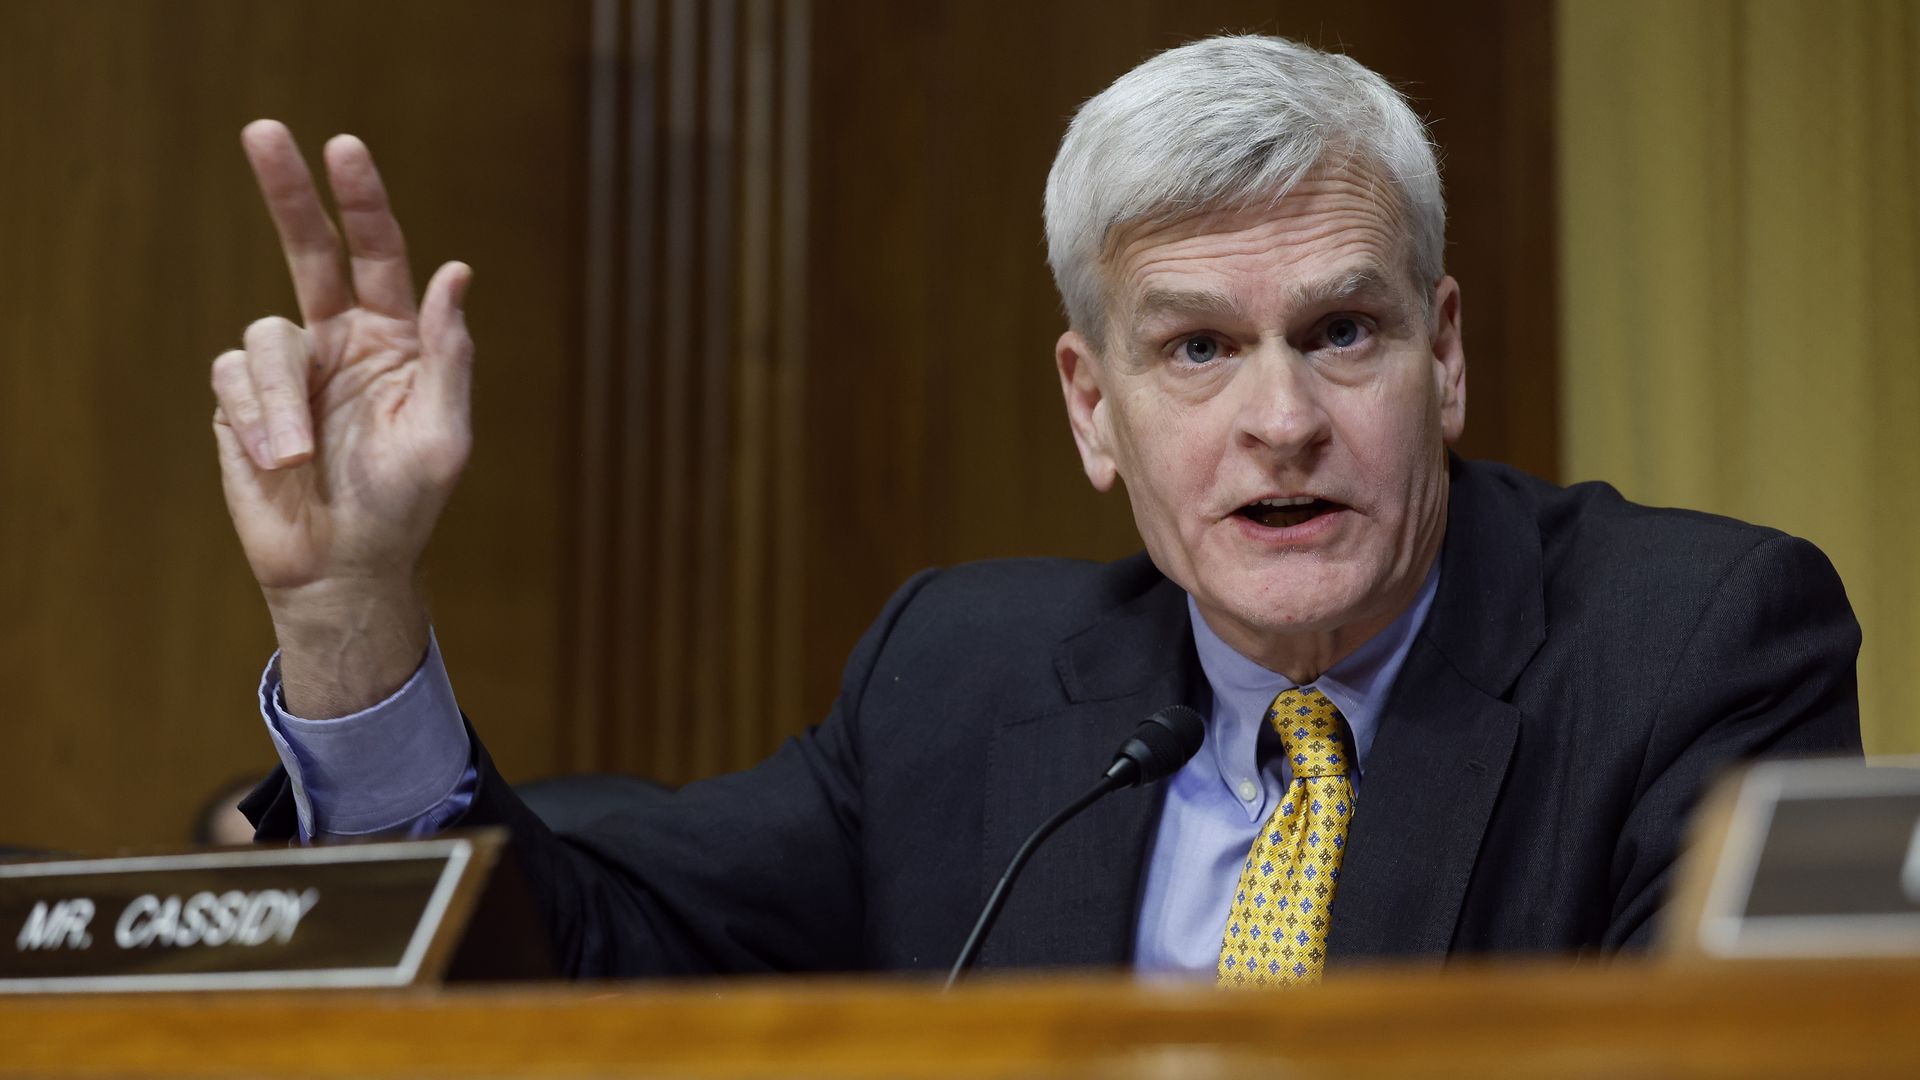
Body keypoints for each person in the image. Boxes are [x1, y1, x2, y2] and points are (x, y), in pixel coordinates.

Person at [216, 35, 1861, 983]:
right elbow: (571, 974)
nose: (1280, 422)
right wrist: (347, 608)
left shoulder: (1691, 648)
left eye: (1342, 332)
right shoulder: (970, 675)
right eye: (1198, 349)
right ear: (1094, 406)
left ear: (1444, 356)